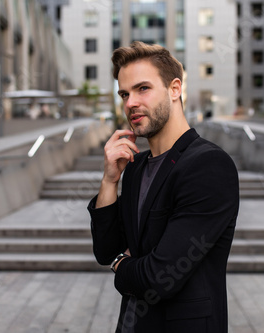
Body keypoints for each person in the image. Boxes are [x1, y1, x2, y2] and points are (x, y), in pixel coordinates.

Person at [87, 41, 239, 333]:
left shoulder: (208, 165)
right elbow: (106, 250)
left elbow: (161, 278)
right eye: (124, 94)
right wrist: (109, 181)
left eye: (142, 89)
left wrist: (120, 265)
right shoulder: (134, 167)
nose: (130, 103)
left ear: (174, 89)